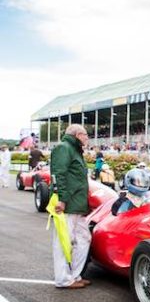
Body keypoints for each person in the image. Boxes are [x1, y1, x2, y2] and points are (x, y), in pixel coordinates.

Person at [50, 124, 92, 289]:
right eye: (85, 134)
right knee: (62, 242)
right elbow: (58, 174)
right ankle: (63, 279)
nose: (87, 138)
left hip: (77, 205)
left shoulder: (74, 150)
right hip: (67, 204)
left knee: (84, 238)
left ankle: (74, 275)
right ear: (76, 135)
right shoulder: (64, 148)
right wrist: (61, 199)